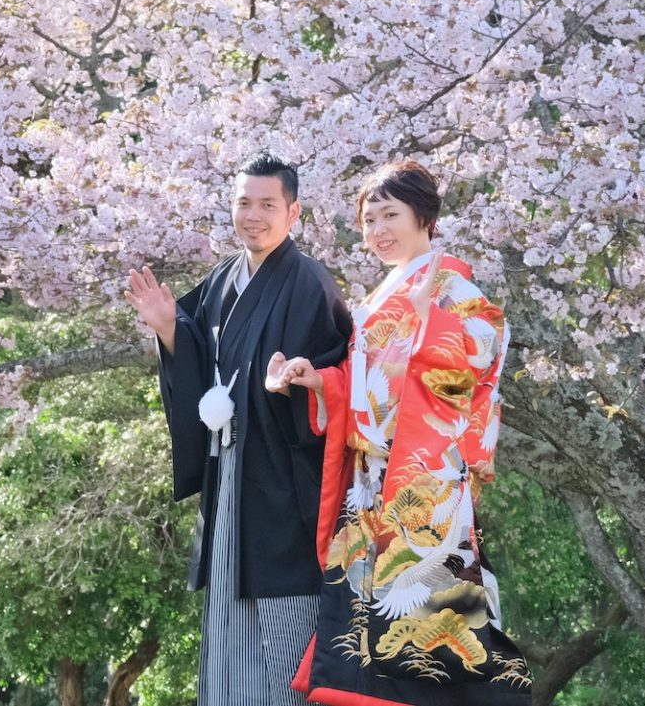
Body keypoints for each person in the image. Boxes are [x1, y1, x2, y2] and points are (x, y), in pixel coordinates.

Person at [267, 160, 532, 706]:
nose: (378, 230)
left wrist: (430, 323)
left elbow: (482, 353)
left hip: (423, 480)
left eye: (391, 215)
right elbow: (366, 378)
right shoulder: (378, 294)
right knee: (364, 612)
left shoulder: (451, 283)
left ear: (424, 217)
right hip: (369, 475)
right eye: (369, 219)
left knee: (427, 624)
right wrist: (317, 378)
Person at [125, 153, 352, 706]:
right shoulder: (225, 277)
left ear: (292, 212)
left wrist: (299, 381)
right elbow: (202, 362)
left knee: (286, 637)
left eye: (267, 205)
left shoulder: (307, 283)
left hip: (283, 489)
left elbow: (334, 369)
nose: (253, 216)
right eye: (243, 203)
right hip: (231, 477)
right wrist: (168, 330)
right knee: (229, 638)